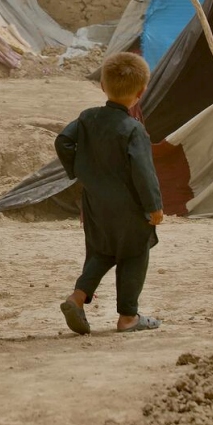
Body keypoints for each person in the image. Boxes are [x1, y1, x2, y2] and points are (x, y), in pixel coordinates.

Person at [55, 52, 165, 335]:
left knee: (102, 252)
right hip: (128, 209)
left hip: (94, 204)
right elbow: (143, 172)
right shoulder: (133, 129)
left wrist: (81, 172)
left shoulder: (88, 118)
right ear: (140, 92)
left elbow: (63, 141)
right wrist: (154, 207)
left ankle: (76, 299)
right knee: (134, 254)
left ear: (102, 86)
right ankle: (128, 317)